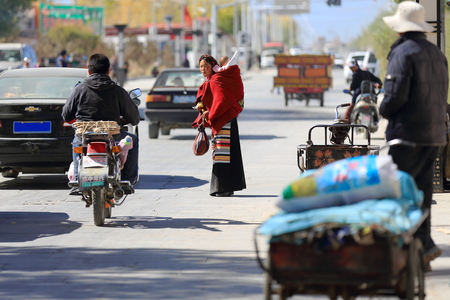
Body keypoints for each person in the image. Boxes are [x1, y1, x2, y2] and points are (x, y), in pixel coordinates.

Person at [380, 1, 448, 271]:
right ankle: (423, 249)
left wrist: (382, 108)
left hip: (406, 135)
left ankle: (406, 253)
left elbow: (394, 99)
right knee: (421, 192)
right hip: (433, 135)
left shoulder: (403, 54)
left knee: (401, 194)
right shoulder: (435, 52)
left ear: (400, 30)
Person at [62, 53, 141, 195]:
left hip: (84, 135)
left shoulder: (79, 90)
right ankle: (128, 180)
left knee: (76, 144)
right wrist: (129, 119)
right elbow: (134, 118)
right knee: (133, 139)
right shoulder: (118, 91)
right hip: (113, 136)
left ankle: (76, 181)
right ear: (108, 70)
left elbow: (66, 115)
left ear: (89, 71)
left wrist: (78, 121)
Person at [192, 54, 246, 197]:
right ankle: (227, 187)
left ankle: (221, 188)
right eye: (201, 66)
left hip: (223, 121)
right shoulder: (214, 80)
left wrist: (209, 114)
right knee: (226, 155)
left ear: (213, 67)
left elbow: (222, 101)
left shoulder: (215, 81)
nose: (203, 69)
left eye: (206, 66)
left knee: (221, 154)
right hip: (226, 120)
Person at [343, 58, 383, 122]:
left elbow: (353, 87)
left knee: (352, 105)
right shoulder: (367, 73)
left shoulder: (355, 74)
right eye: (351, 67)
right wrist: (379, 85)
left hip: (359, 93)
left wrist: (350, 89)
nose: (352, 69)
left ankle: (346, 120)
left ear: (357, 66)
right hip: (371, 93)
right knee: (376, 105)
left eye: (353, 67)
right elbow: (378, 80)